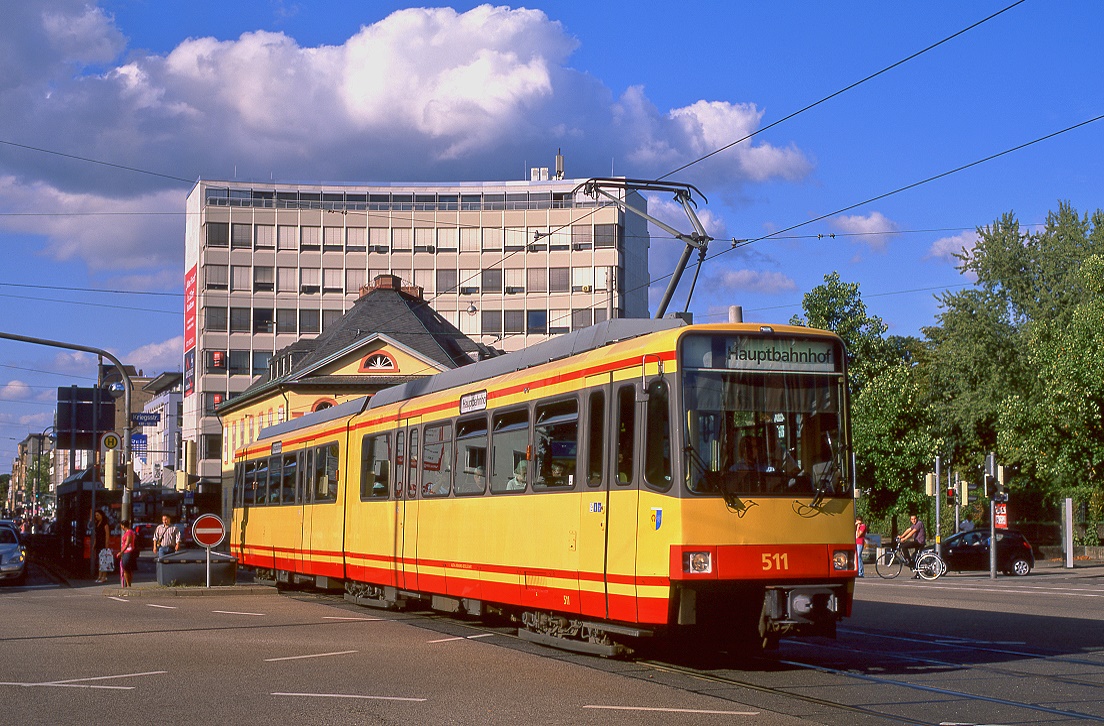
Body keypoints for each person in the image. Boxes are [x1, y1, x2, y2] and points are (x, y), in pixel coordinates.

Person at [92, 510, 112, 583]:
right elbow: (96, 535)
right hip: (98, 544)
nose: (96, 517)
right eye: (96, 515)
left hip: (103, 544)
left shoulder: (105, 524)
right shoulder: (97, 524)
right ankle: (100, 576)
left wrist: (107, 545)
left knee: (103, 561)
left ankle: (104, 576)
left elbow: (107, 535)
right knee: (99, 561)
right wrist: (94, 544)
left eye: (98, 515)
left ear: (102, 515)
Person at [118, 519, 137, 588]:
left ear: (123, 526)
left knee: (126, 569)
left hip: (128, 552)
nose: (121, 527)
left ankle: (128, 584)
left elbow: (127, 543)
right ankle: (128, 584)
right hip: (128, 552)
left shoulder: (129, 533)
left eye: (121, 526)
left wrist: (121, 552)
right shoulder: (129, 532)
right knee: (128, 569)